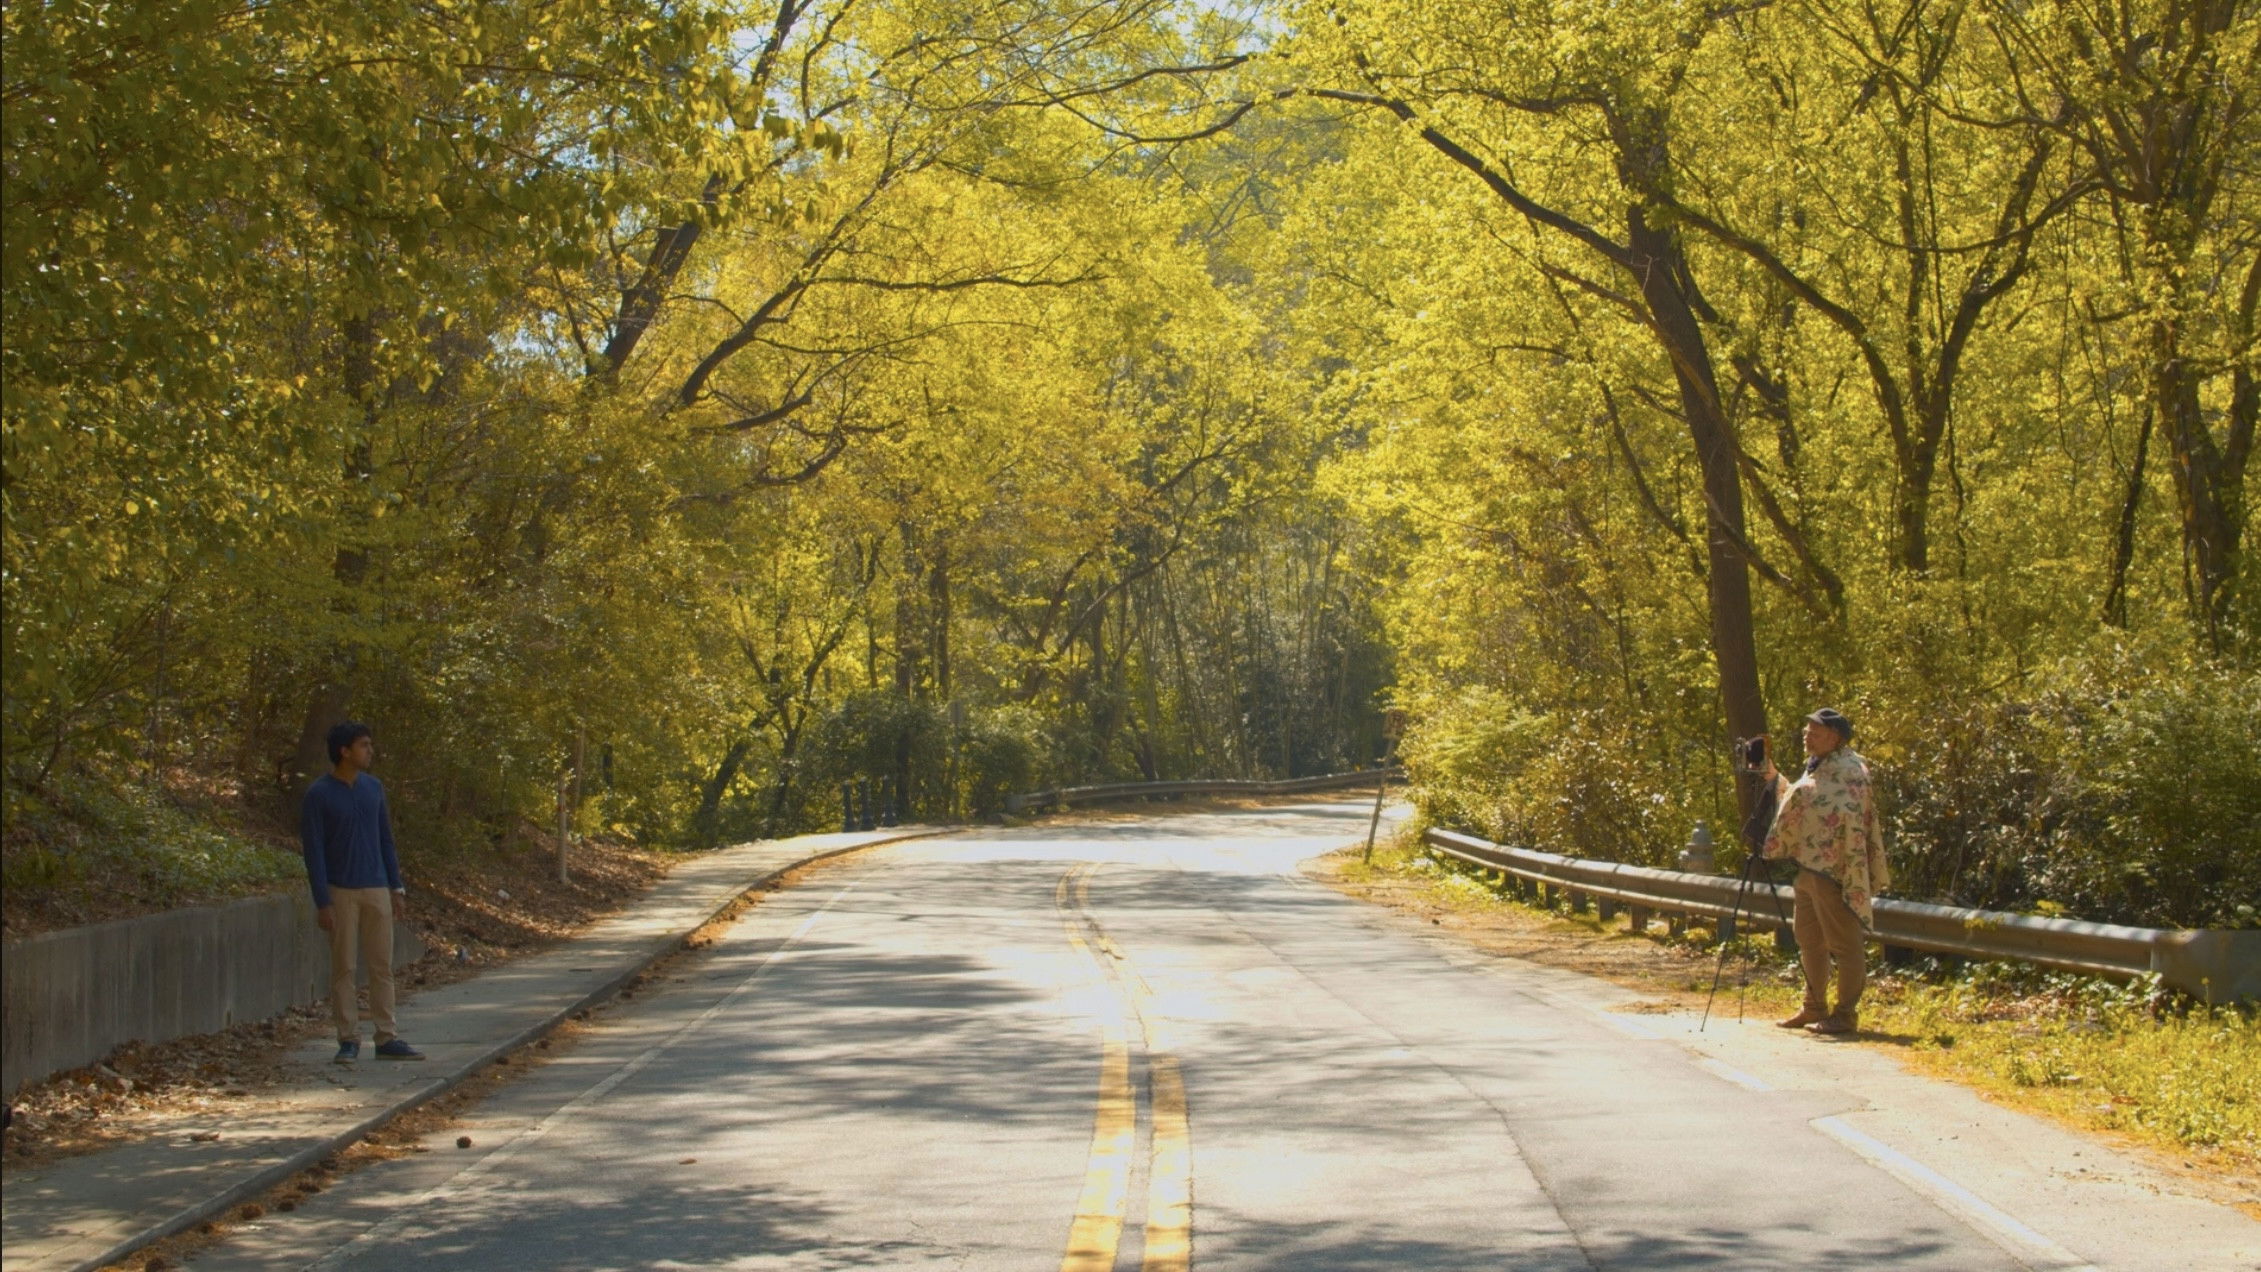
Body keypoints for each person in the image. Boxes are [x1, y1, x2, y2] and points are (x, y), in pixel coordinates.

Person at [1758, 708, 1889, 1035]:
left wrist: (1787, 790)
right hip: (1808, 865)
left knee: (1845, 944)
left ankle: (1845, 1015)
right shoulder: (1821, 766)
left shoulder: (1849, 769)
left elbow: (1828, 807)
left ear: (1835, 737)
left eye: (1814, 732)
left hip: (1834, 870)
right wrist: (1772, 777)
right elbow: (1802, 798)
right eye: (1807, 730)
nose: (1807, 736)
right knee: (1809, 939)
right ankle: (1814, 1006)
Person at [301, 722, 425, 1063]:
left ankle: (387, 1037)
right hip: (340, 890)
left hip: (376, 887)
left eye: (370, 745)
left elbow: (385, 838)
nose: (370, 751)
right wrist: (322, 900)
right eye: (364, 746)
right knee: (344, 967)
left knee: (381, 965)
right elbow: (314, 851)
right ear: (345, 751)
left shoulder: (374, 788)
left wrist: (396, 886)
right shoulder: (319, 794)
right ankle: (348, 1038)